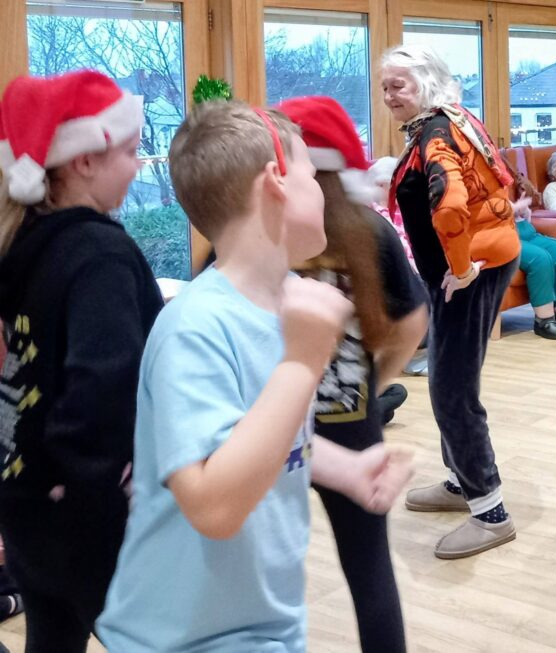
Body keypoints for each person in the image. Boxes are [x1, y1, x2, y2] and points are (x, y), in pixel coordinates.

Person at [97, 100, 413, 652]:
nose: (323, 192)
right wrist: (301, 362)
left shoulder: (280, 307)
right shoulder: (195, 326)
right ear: (276, 182)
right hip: (184, 637)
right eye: (313, 177)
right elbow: (213, 505)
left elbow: (260, 433)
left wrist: (345, 469)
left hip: (261, 624)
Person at [0, 70, 164, 653]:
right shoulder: (99, 253)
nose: (139, 162)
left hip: (24, 499)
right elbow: (100, 385)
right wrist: (97, 491)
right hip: (83, 517)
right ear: (83, 162)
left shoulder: (25, 242)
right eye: (129, 149)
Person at [277, 96, 427, 653]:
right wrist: (374, 381)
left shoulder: (258, 230)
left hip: (271, 428)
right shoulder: (370, 231)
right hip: (351, 423)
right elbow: (413, 322)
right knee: (370, 572)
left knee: (270, 571)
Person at [381, 44, 520, 559]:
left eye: (400, 84)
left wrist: (461, 269)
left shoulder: (436, 132)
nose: (389, 94)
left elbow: (451, 206)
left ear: (427, 83)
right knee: (449, 374)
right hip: (480, 262)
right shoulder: (448, 120)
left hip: (469, 271)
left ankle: (491, 511)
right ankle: (462, 481)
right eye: (385, 86)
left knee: (450, 389)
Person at [508, 165, 556, 339]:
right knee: (540, 258)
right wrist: (511, 209)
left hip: (524, 228)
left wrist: (521, 210)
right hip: (503, 234)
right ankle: (544, 320)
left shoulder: (503, 169)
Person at [369, 156, 429, 377]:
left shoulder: (398, 210)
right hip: (389, 276)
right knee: (424, 295)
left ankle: (428, 352)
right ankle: (411, 356)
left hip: (411, 271)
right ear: (383, 185)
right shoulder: (373, 215)